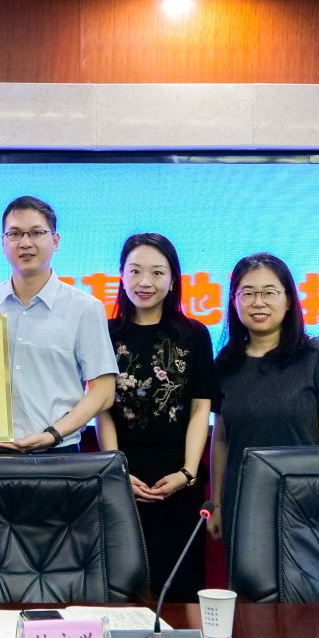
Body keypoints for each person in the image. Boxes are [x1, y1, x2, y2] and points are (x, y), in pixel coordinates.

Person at [93, 233, 217, 601]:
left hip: (178, 477)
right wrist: (116, 470)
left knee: (179, 588)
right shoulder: (106, 333)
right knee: (122, 588)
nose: (144, 282)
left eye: (157, 272)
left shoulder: (194, 334)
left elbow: (201, 408)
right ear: (121, 276)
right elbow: (102, 408)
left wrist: (188, 473)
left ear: (173, 279)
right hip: (122, 477)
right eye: (135, 271)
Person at [208, 253, 319, 539]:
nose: (258, 302)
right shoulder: (226, 362)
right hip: (242, 502)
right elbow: (221, 438)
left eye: (269, 293)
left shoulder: (317, 354)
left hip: (305, 501)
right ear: (234, 301)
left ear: (288, 301)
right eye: (248, 293)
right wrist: (217, 503)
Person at [0, 196, 116, 454]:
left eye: (36, 233)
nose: (25, 243)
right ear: (3, 242)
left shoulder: (85, 308)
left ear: (55, 241)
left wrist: (52, 434)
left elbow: (103, 391)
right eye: (14, 234)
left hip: (58, 451)